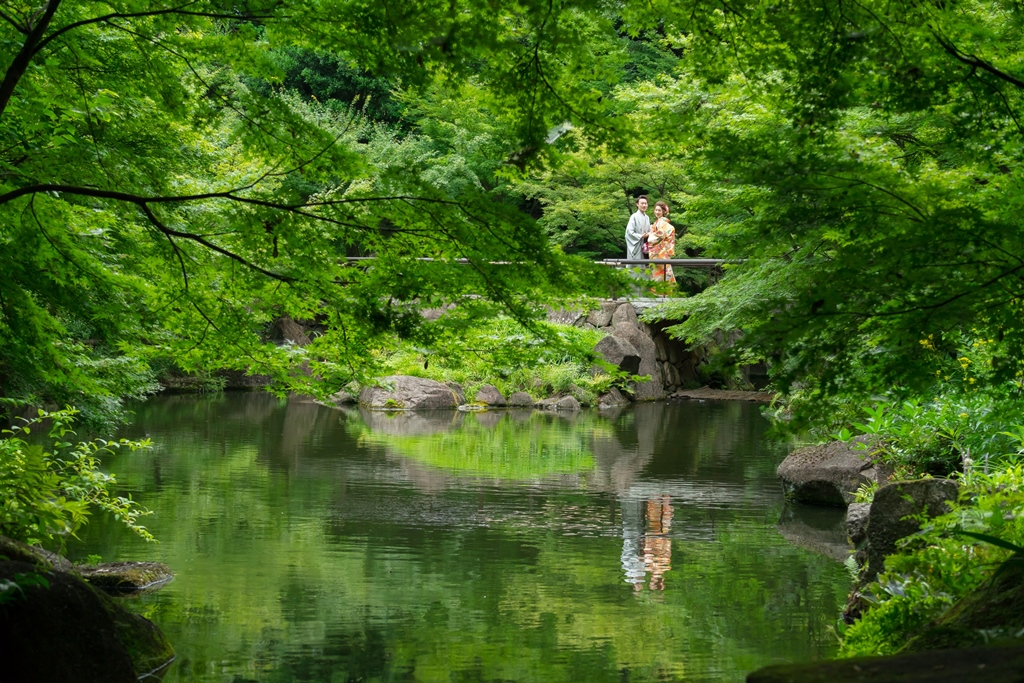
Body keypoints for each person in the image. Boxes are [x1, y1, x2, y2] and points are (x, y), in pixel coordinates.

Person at [647, 200, 675, 287]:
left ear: (663, 212)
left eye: (659, 210)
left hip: (660, 253)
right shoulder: (658, 222)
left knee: (661, 274)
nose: (657, 212)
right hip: (661, 252)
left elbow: (659, 236)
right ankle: (666, 294)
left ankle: (662, 295)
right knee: (662, 274)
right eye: (656, 210)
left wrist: (650, 235)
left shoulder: (662, 223)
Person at [624, 195, 650, 261]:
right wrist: (641, 236)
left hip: (644, 245)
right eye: (642, 203)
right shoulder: (634, 216)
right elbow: (629, 232)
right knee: (635, 267)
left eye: (645, 203)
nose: (644, 205)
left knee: (644, 267)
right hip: (636, 246)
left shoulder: (647, 217)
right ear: (637, 204)